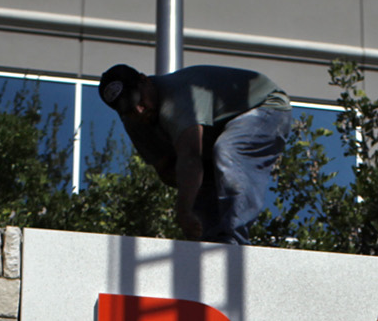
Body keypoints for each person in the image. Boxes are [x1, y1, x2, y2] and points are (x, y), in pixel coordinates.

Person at [97, 62, 294, 245]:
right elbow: (167, 170)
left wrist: (183, 210)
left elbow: (190, 157)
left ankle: (234, 242)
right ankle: (211, 245)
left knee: (228, 152)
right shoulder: (134, 122)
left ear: (145, 80)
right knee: (197, 181)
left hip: (264, 108)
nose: (140, 111)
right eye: (129, 110)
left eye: (140, 100)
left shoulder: (178, 96)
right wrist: (195, 198)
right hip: (215, 133)